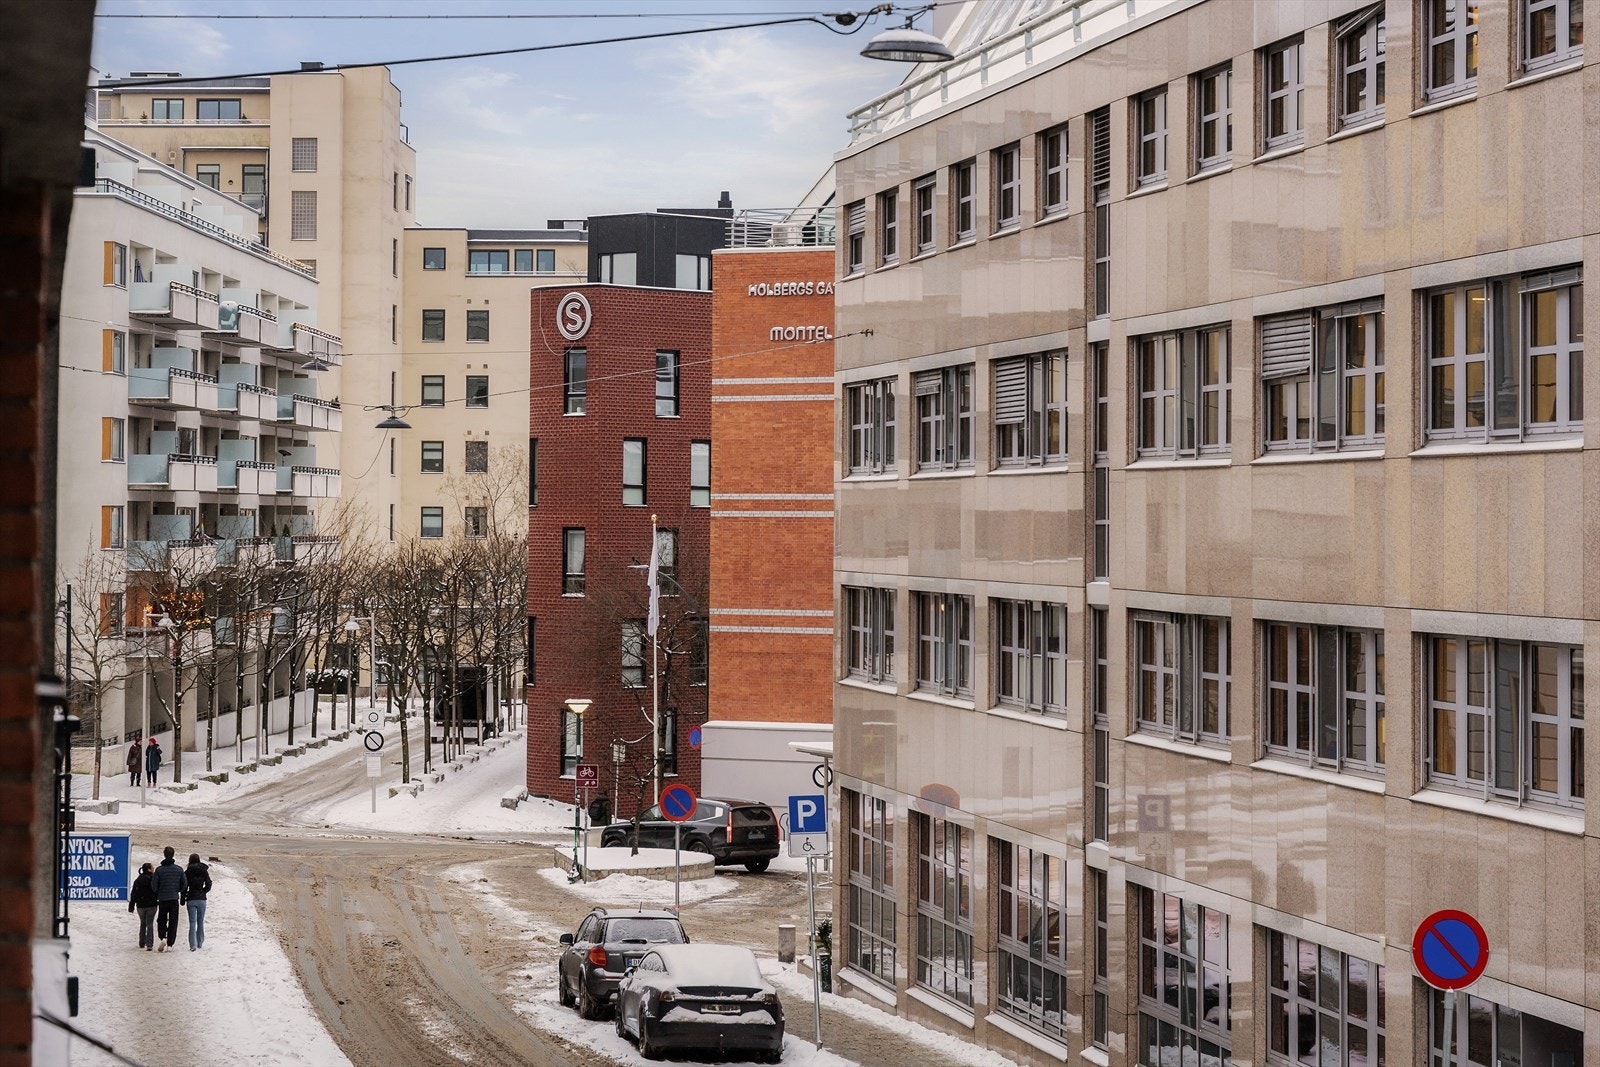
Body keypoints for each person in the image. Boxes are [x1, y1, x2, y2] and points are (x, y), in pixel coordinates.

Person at [151, 846, 184, 951]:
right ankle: (170, 944)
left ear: (164, 854)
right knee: (173, 921)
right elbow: (184, 884)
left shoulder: (159, 870)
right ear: (173, 854)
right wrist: (177, 890)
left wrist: (159, 891)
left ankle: (163, 937)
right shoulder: (179, 869)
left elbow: (154, 885)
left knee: (161, 919)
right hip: (174, 898)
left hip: (163, 899)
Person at [182, 852, 211, 951]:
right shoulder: (204, 871)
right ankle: (200, 942)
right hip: (202, 898)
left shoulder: (187, 872)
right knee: (200, 921)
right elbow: (209, 883)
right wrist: (203, 891)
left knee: (192, 922)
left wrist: (182, 898)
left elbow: (184, 887)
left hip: (191, 898)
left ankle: (192, 945)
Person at [127, 862, 157, 950]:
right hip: (152, 905)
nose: (153, 868)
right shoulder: (153, 879)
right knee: (150, 924)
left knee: (143, 923)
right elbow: (156, 890)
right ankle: (149, 944)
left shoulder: (138, 880)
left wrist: (131, 905)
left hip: (140, 905)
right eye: (152, 867)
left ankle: (141, 942)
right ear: (149, 869)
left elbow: (134, 893)